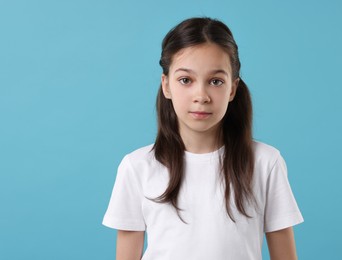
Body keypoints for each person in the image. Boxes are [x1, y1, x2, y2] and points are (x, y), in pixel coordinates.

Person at [102, 17, 304, 260]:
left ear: (232, 88)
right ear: (166, 85)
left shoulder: (265, 162)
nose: (201, 95)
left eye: (215, 81)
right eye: (185, 80)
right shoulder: (137, 167)